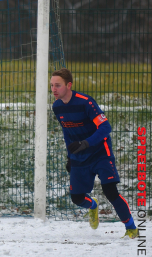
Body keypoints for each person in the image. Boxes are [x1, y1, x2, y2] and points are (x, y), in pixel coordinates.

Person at [50, 68, 137, 238]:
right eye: (52, 85)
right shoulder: (57, 107)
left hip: (99, 153)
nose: (53, 89)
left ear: (69, 85)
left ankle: (131, 228)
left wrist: (86, 143)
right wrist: (70, 156)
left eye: (58, 85)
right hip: (79, 156)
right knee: (76, 198)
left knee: (110, 191)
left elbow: (105, 127)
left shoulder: (85, 102)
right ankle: (93, 206)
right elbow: (67, 132)